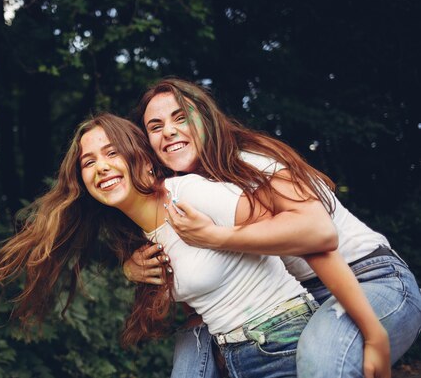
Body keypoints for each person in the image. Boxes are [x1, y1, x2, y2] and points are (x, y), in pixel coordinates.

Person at [0, 112, 325, 378]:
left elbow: (301, 229)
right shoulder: (136, 238)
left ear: (142, 159)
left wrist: (219, 236)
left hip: (284, 339)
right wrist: (130, 269)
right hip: (236, 355)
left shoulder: (190, 194)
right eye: (89, 161)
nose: (101, 167)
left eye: (111, 152)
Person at [123, 77, 421, 378]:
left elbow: (319, 234)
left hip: (371, 278)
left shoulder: (247, 161)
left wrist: (374, 333)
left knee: (322, 360)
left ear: (207, 119)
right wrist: (132, 267)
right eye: (155, 126)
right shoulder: (184, 190)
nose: (169, 131)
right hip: (296, 302)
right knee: (192, 347)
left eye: (181, 118)